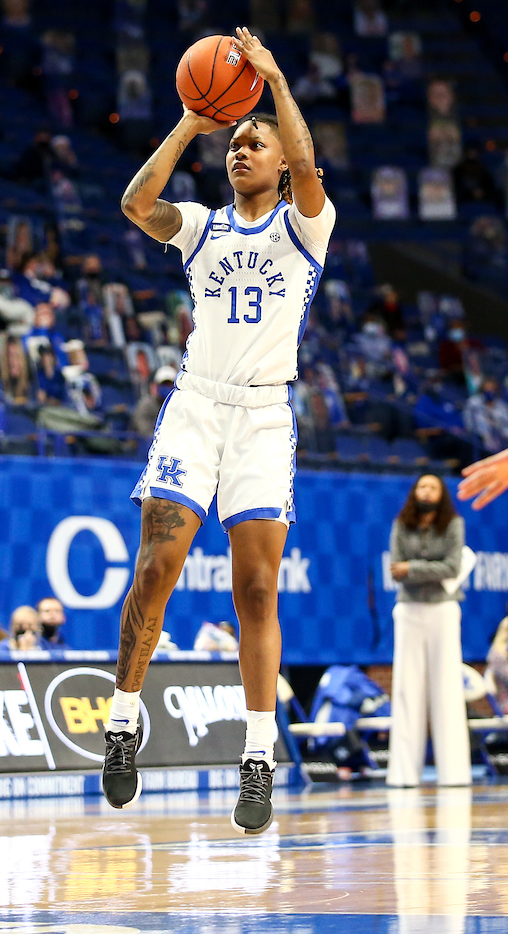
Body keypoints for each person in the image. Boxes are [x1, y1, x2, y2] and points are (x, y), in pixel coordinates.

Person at [106, 28, 335, 836]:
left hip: (265, 415)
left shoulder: (305, 225)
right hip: (197, 406)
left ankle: (257, 753)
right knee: (156, 567)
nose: (241, 150)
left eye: (253, 142)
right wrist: (190, 122)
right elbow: (136, 205)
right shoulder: (202, 226)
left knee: (258, 590)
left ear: (280, 165)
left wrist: (275, 82)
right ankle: (123, 721)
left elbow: (307, 162)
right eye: (234, 142)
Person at [387, 474, 470, 788]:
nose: (426, 492)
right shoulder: (401, 524)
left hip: (444, 609)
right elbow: (395, 570)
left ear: (441, 494)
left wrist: (413, 568)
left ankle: (454, 774)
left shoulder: (453, 524)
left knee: (447, 687)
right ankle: (403, 775)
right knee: (406, 688)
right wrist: (420, 570)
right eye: (422, 486)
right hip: (408, 609)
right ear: (414, 492)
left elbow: (452, 567)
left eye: (433, 487)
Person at [463, 377, 508, 454]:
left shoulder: (501, 404)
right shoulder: (473, 402)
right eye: (487, 388)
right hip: (480, 438)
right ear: (482, 388)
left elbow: (507, 423)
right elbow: (469, 422)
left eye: (492, 388)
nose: (489, 390)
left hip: (502, 438)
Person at [132, 365, 177, 439]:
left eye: (169, 385)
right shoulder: (146, 405)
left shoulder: (179, 405)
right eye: (164, 384)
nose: (167, 388)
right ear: (156, 386)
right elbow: (144, 430)